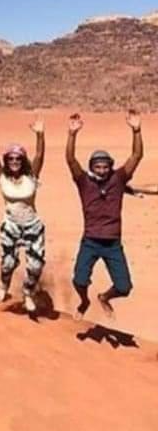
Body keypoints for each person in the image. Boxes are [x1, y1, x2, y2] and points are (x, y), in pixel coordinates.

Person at [66, 111, 143, 319]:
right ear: (92, 168)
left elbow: (136, 156)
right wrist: (72, 134)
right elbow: (71, 159)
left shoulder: (118, 180)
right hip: (90, 241)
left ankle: (104, 297)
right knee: (79, 281)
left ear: (110, 167)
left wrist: (136, 130)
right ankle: (84, 302)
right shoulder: (84, 182)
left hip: (112, 244)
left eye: (105, 166)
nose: (102, 170)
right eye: (97, 167)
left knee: (124, 287)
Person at [0, 118, 46, 313]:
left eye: (18, 159)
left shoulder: (30, 177)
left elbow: (39, 155)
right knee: (8, 263)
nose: (14, 162)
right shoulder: (2, 177)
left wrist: (40, 134)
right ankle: (4, 286)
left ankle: (28, 292)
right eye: (10, 159)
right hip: (11, 225)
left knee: (35, 266)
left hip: (32, 225)